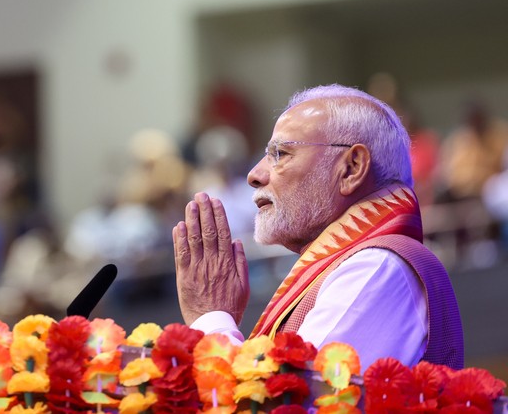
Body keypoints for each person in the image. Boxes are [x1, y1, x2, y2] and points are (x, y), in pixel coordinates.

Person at [173, 84, 463, 370]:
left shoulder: (378, 266)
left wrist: (211, 317)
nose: (255, 174)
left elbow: (289, 401)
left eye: (281, 154)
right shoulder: (357, 263)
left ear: (351, 168)